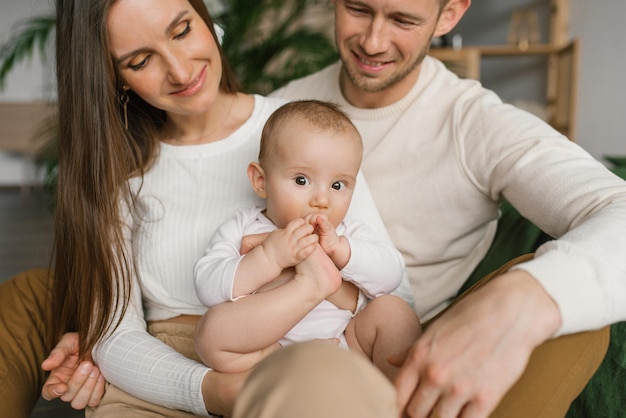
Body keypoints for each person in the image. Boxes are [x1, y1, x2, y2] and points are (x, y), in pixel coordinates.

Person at [0, 0, 623, 416]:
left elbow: (387, 289)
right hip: (209, 346)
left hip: (339, 335)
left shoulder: (451, 126)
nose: (373, 39)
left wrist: (520, 300)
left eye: (182, 29)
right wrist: (125, 344)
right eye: (139, 60)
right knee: (31, 300)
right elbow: (144, 319)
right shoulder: (284, 116)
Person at [1, 0, 409, 417]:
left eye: (181, 32)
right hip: (163, 374)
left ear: (205, 19)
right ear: (113, 75)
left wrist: (308, 278)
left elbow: (394, 301)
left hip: (308, 353)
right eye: (141, 61)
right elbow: (114, 336)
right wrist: (212, 390)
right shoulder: (117, 173)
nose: (180, 71)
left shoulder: (304, 136)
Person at [193, 99, 420, 378]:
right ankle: (306, 302)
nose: (322, 200)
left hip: (346, 347)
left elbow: (391, 275)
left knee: (393, 312)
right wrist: (269, 257)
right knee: (211, 332)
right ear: (261, 181)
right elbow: (207, 285)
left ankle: (398, 398)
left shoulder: (346, 233)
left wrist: (342, 251)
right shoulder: (245, 227)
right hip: (270, 356)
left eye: (338, 185)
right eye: (302, 180)